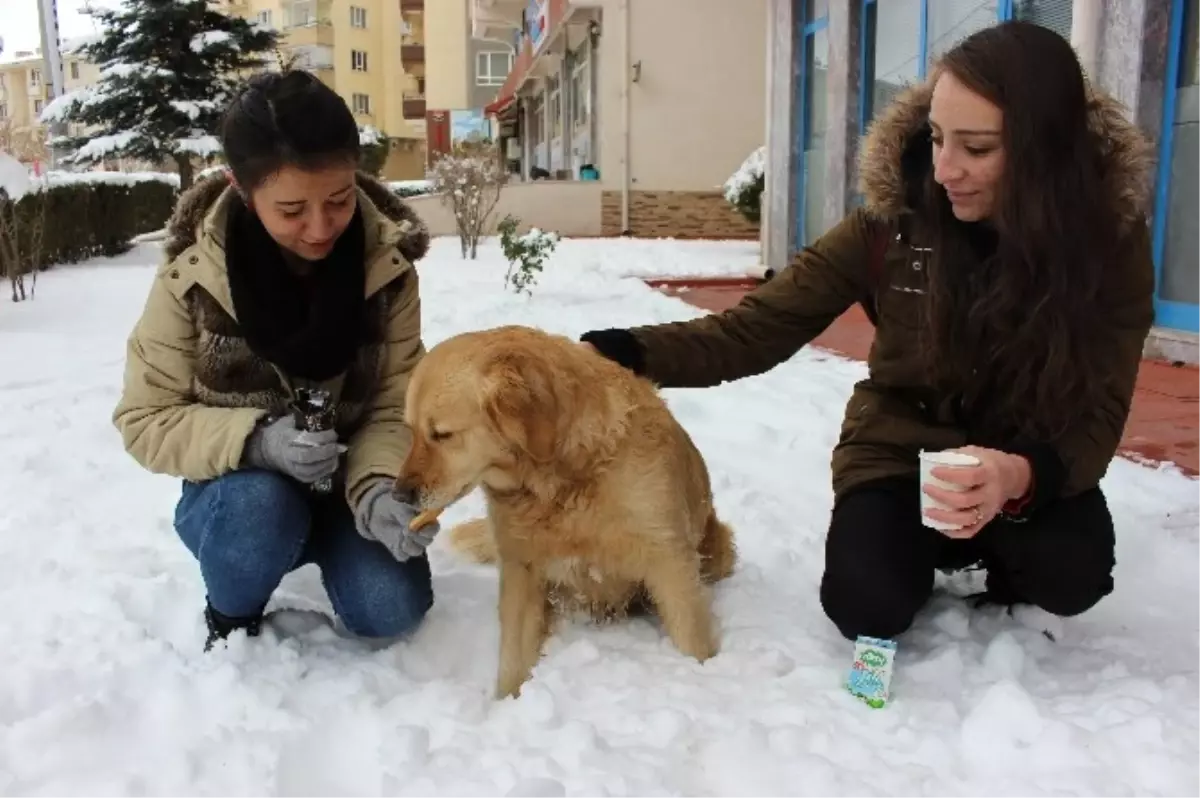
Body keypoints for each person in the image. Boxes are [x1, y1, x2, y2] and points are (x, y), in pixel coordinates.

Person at [580, 21, 1156, 642]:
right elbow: (753, 330)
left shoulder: (1108, 248)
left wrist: (1017, 477)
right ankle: (912, 549)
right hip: (900, 453)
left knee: (1072, 575)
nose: (945, 169)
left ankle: (1001, 561)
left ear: (1044, 152)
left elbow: (1099, 413)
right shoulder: (892, 225)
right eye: (936, 138)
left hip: (1025, 461)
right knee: (865, 605)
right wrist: (615, 354)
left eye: (978, 148)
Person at [113, 70, 438, 649]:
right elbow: (145, 419)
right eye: (291, 209)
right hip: (238, 498)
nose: (320, 228)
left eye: (339, 200)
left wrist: (380, 487)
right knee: (260, 508)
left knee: (391, 609)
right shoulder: (192, 278)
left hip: (344, 486)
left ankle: (340, 534)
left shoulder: (386, 269)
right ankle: (232, 615)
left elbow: (397, 402)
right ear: (242, 187)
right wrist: (258, 442)